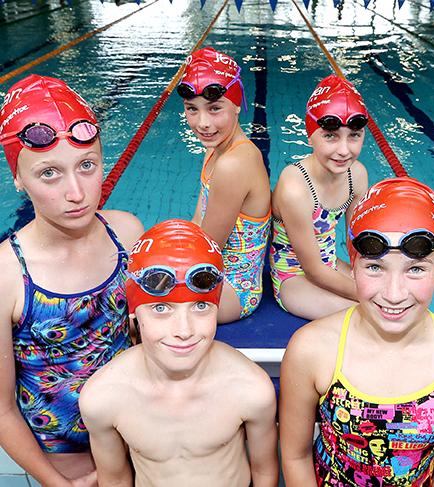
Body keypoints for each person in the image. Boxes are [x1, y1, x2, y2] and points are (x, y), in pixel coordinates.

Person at [280, 178, 434, 486]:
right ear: (352, 265)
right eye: (375, 268)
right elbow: (295, 456)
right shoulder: (311, 348)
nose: (394, 294)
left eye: (415, 269)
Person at [0, 74, 143, 486]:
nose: (77, 192)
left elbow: (141, 337)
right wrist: (57, 483)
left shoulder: (127, 234)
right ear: (18, 179)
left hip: (136, 436)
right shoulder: (8, 276)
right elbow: (2, 410)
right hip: (67, 462)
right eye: (49, 173)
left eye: (87, 166)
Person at [79, 219, 279, 486]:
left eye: (200, 307)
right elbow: (114, 480)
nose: (184, 330)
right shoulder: (104, 397)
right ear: (133, 311)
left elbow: (264, 472)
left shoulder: (250, 389)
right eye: (161, 308)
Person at [177, 47, 271, 323]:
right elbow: (198, 221)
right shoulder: (214, 148)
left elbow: (208, 248)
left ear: (237, 105)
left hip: (234, 290)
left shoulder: (234, 163)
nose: (203, 123)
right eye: (192, 109)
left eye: (215, 108)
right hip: (211, 275)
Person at [270, 74, 369, 319]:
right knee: (365, 315)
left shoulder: (356, 175)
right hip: (293, 279)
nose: (344, 150)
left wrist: (375, 280)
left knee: (395, 304)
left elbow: (358, 243)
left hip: (330, 265)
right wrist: (371, 296)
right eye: (330, 136)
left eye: (354, 135)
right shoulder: (295, 187)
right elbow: (313, 270)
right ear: (310, 135)